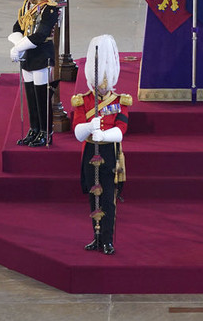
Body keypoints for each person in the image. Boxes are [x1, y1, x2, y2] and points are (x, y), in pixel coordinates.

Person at [71, 34, 130, 255]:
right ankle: (95, 238)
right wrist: (88, 128)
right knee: (93, 198)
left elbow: (121, 131)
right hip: (89, 154)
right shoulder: (83, 100)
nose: (102, 89)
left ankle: (107, 240)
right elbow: (77, 131)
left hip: (109, 153)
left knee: (107, 199)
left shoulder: (119, 101)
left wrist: (101, 135)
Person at [9, 0, 60, 147]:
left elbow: (41, 34)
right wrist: (17, 45)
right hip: (28, 56)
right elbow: (16, 28)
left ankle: (46, 132)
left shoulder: (49, 8)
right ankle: (34, 128)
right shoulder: (25, 7)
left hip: (41, 56)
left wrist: (19, 47)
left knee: (42, 96)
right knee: (30, 95)